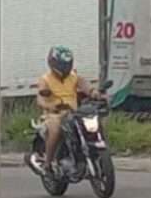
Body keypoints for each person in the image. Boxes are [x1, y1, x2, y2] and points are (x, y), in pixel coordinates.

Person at [35, 45, 104, 177]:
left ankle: (92, 150)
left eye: (67, 64)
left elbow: (85, 86)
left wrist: (94, 93)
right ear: (53, 63)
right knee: (55, 130)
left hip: (73, 113)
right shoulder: (45, 79)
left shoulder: (74, 77)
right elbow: (40, 99)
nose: (65, 68)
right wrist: (49, 106)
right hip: (54, 114)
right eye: (62, 64)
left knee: (94, 123)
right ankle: (48, 164)